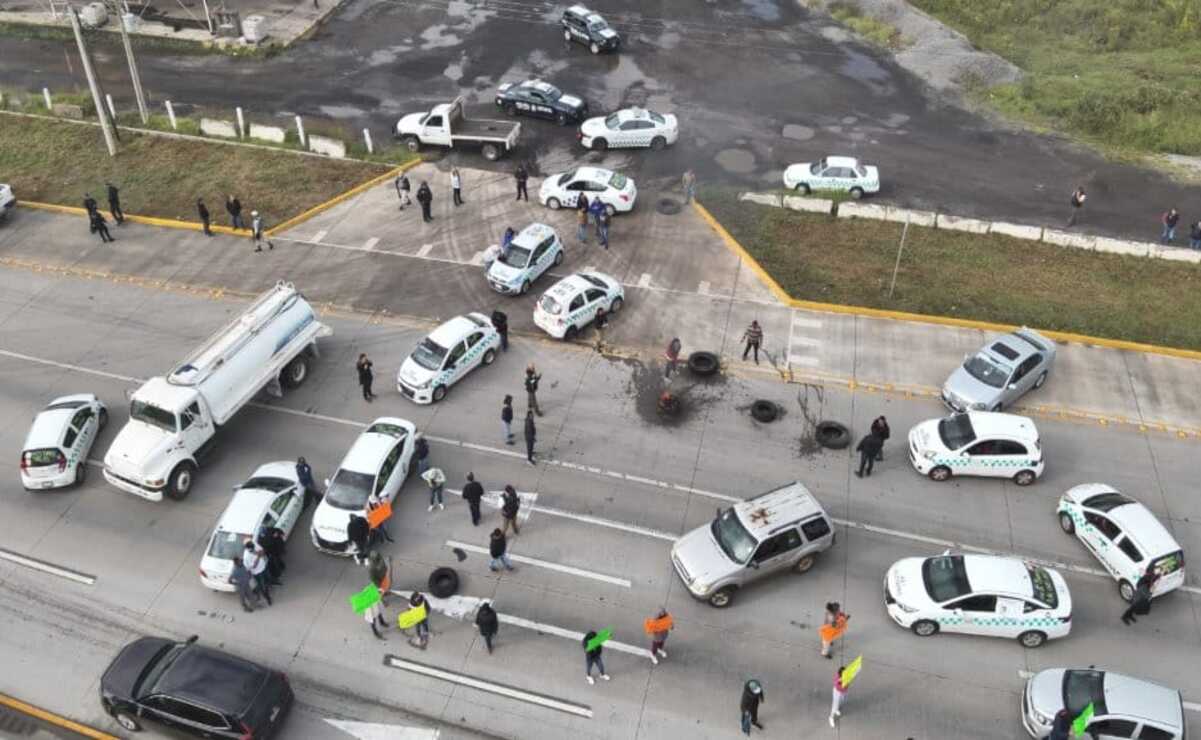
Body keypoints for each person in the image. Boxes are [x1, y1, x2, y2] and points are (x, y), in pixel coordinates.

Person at [242, 541, 272, 606]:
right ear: (247, 549)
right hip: (257, 573)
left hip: (264, 567)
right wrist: (258, 555)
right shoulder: (246, 557)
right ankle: (267, 598)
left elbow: (262, 551)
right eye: (251, 549)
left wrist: (257, 553)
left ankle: (257, 589)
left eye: (253, 548)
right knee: (263, 587)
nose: (253, 549)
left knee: (269, 579)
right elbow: (254, 566)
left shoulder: (253, 544)